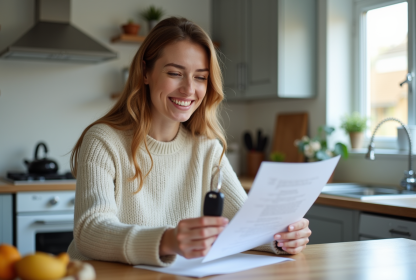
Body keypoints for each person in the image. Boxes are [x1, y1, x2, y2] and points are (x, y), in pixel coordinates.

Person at [67, 17, 311, 267]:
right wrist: (167, 241)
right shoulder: (103, 140)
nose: (188, 89)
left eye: (200, 77)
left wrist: (282, 237)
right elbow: (90, 230)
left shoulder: (207, 149)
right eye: (175, 73)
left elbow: (244, 225)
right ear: (145, 72)